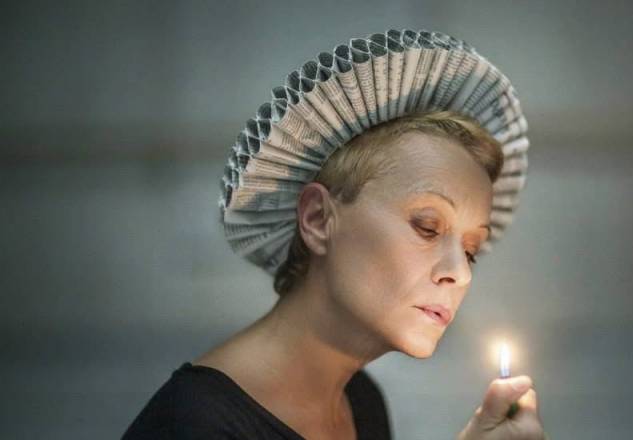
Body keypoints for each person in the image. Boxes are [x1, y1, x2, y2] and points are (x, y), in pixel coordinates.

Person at [123, 30, 545, 440]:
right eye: (427, 227)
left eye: (471, 250)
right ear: (318, 218)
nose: (462, 274)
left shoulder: (360, 402)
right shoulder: (192, 426)